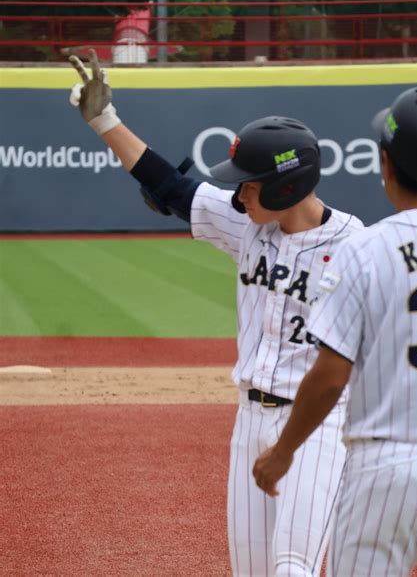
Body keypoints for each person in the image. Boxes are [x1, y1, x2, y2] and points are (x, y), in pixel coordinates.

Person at [68, 49, 364, 576]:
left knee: (292, 568)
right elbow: (171, 187)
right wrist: (104, 121)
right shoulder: (246, 223)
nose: (238, 191)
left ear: (285, 185)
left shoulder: (356, 247)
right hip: (249, 420)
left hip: (317, 425)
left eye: (249, 182)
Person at [253, 85, 417, 576]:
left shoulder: (364, 249)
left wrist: (284, 451)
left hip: (386, 468)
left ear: (387, 165)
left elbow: (331, 375)